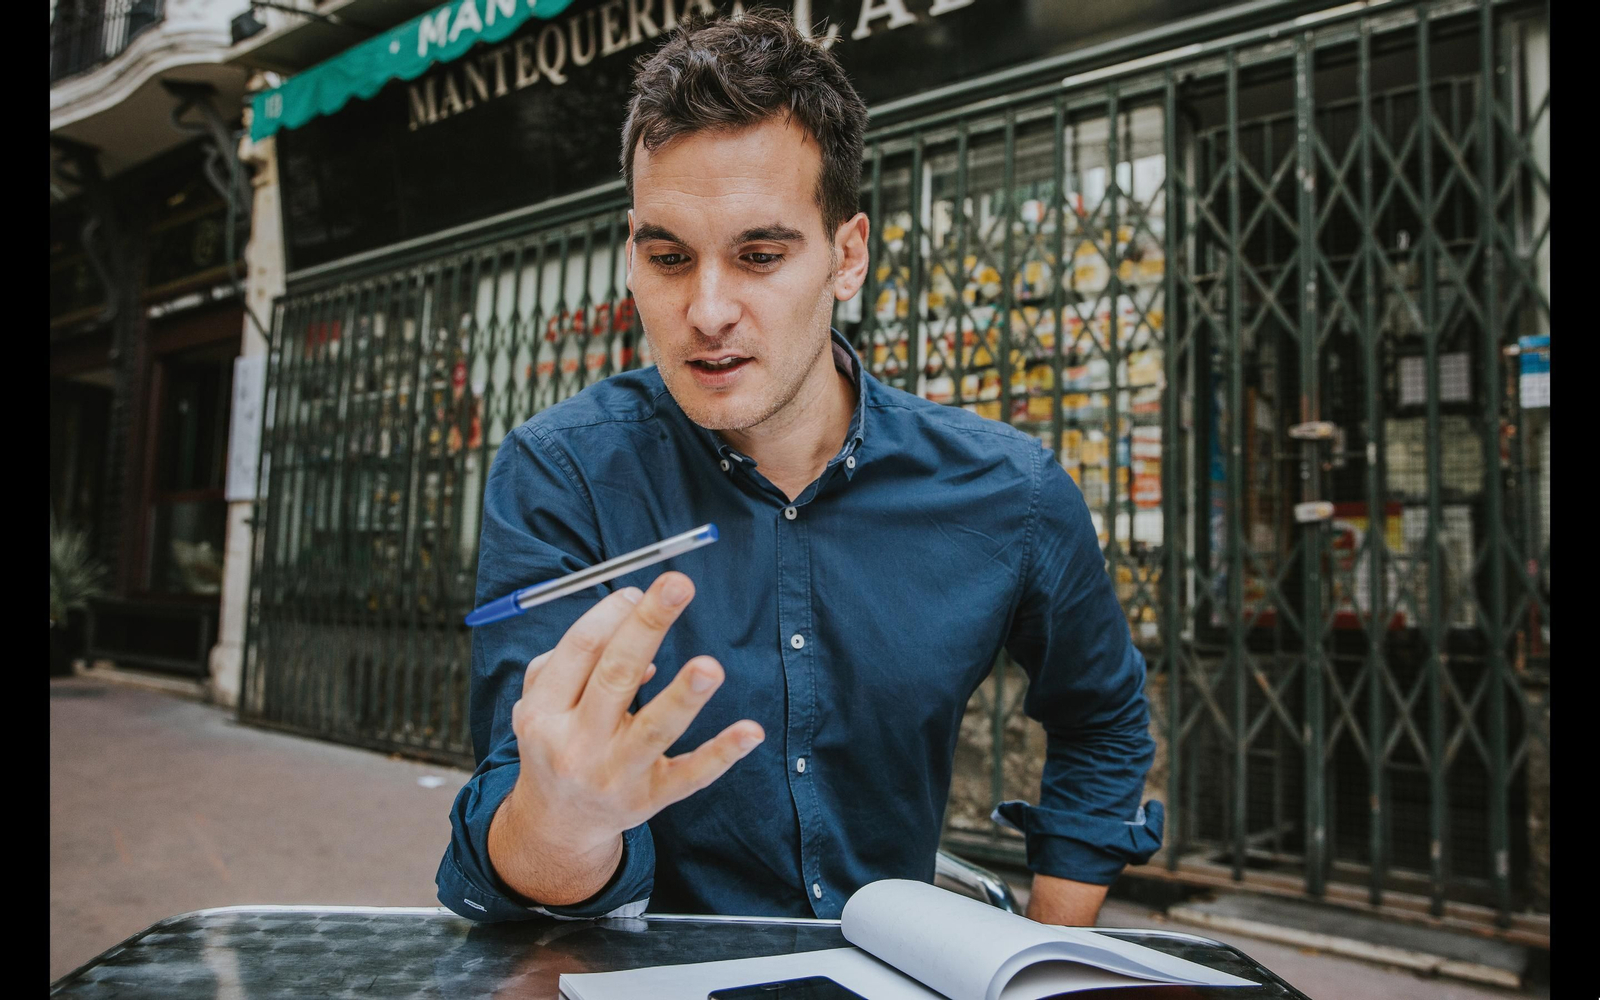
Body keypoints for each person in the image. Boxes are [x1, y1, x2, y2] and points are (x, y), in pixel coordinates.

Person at [436, 9, 1162, 928]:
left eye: (760, 256)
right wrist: (566, 820)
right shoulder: (564, 474)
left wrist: (1050, 955)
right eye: (668, 258)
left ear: (847, 255)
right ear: (631, 257)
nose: (706, 310)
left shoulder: (1007, 492)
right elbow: (513, 829)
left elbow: (1101, 716)